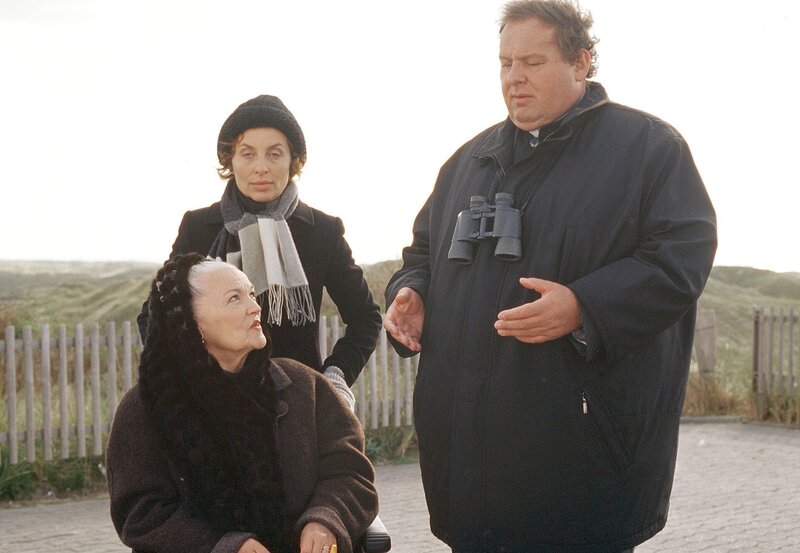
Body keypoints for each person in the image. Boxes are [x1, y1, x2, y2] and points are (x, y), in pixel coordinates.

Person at [383, 1, 717, 552]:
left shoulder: (649, 150)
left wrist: (585, 307)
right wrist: (411, 291)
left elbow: (680, 259)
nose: (514, 78)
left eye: (533, 62)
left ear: (580, 62)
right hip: (469, 478)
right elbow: (421, 252)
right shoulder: (466, 163)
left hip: (581, 472)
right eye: (505, 63)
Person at [108, 254, 378, 553]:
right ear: (188, 323)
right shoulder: (146, 407)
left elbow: (350, 473)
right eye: (234, 298)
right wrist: (224, 546)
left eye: (251, 293)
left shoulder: (305, 387)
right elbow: (141, 513)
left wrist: (325, 519)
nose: (255, 306)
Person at [137, 94, 381, 410]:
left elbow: (365, 318)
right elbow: (155, 315)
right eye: (247, 153)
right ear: (230, 160)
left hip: (296, 406)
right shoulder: (199, 228)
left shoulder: (322, 231)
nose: (261, 167)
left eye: (274, 154)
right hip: (212, 405)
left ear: (293, 160)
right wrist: (189, 373)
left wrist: (335, 376)